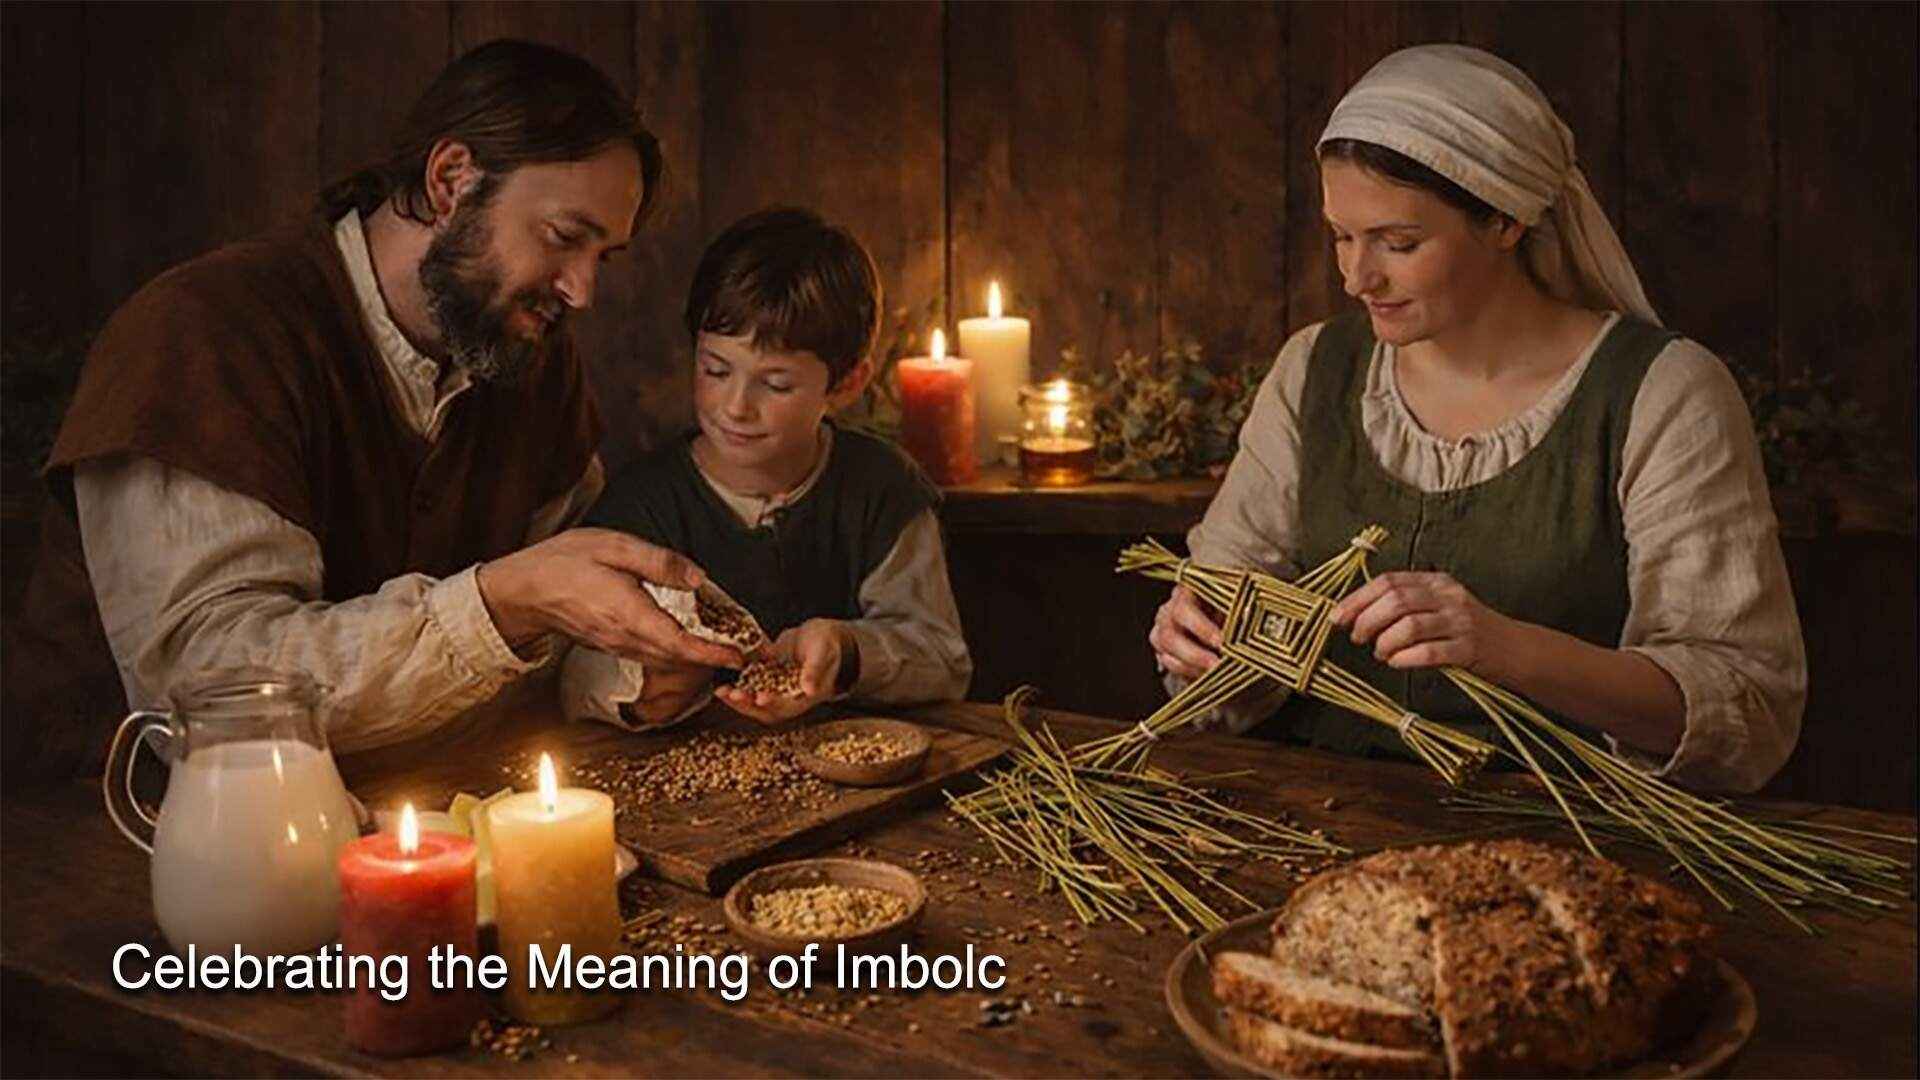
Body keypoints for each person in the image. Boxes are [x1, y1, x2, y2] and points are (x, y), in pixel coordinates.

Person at [4, 40, 742, 780]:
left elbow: (557, 634)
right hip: (124, 831)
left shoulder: (531, 360)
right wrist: (505, 600)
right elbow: (209, 693)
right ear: (452, 179)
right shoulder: (204, 332)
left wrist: (635, 677)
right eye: (563, 237)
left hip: (427, 810)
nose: (582, 290)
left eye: (603, 256)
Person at [1147, 44, 1804, 794]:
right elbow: (1229, 596)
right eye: (1341, 236)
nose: (1356, 277)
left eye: (1400, 243)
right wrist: (1202, 644)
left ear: (1504, 222)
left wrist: (1505, 647)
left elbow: (1744, 707)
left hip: (1567, 830)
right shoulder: (1314, 367)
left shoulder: (1662, 391)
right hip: (1316, 812)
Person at [562, 207, 972, 728]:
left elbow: (943, 660)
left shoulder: (883, 490)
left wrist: (847, 653)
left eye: (775, 384)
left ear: (845, 385)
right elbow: (573, 674)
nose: (735, 407)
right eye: (715, 370)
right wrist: (639, 689)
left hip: (849, 764)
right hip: (684, 772)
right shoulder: (640, 506)